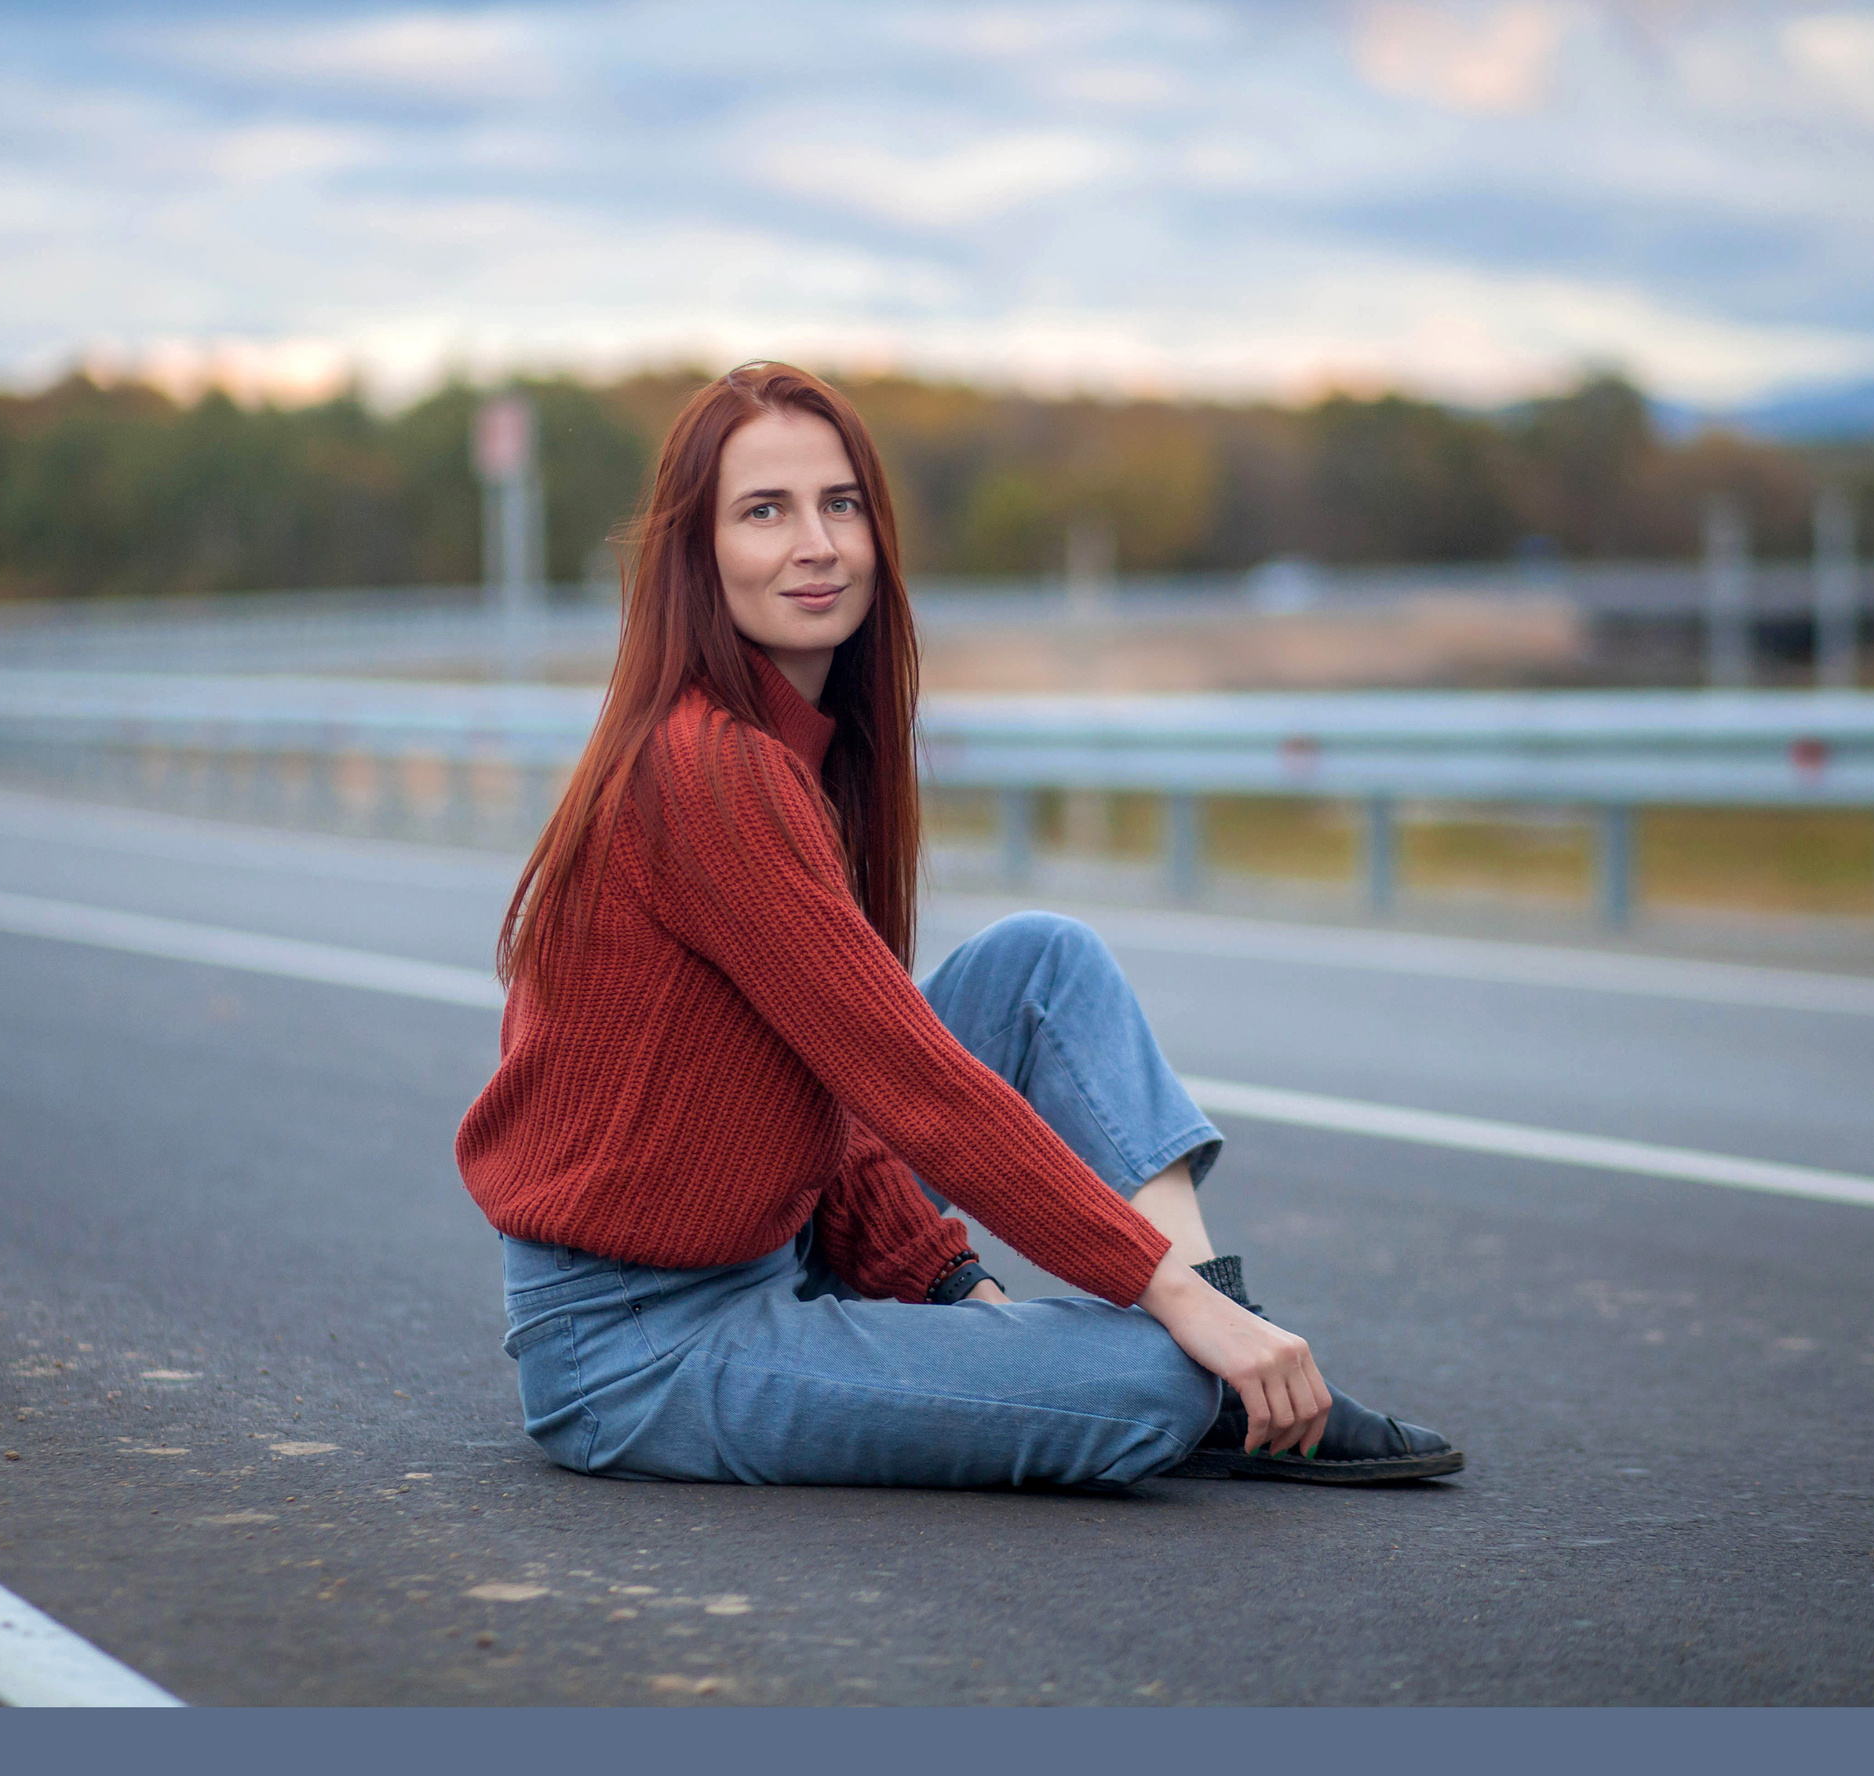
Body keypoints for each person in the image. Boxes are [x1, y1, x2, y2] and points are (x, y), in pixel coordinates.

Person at [455, 363, 1459, 1490]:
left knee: (1044, 961)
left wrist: (945, 1288)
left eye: (839, 505)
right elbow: (906, 1081)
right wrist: (1157, 1297)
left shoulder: (797, 754)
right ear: (696, 554)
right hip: (640, 1348)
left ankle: (1236, 1354)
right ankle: (1217, 1370)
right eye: (764, 512)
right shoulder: (709, 772)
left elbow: (824, 1090)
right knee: (1152, 1384)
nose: (816, 544)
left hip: (767, 1248)